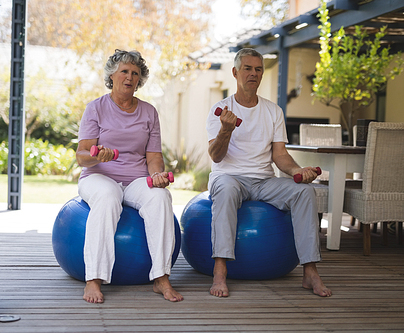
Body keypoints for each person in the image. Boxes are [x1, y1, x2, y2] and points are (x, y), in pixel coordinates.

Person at [206, 48, 332, 298]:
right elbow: (216, 156)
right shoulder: (220, 109)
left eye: (258, 69)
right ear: (235, 72)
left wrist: (298, 171)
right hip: (229, 177)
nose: (253, 73)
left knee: (304, 192)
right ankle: (220, 271)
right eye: (247, 68)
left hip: (264, 181)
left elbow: (280, 155)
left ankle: (310, 270)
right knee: (227, 188)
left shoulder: (273, 111)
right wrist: (225, 131)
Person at [75, 49, 183, 304]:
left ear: (140, 80)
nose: (129, 77)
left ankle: (161, 277)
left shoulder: (148, 112)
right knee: (108, 196)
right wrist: (97, 156)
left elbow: (153, 156)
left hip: (136, 179)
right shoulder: (96, 108)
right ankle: (94, 279)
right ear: (112, 75)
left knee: (161, 197)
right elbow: (81, 155)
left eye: (135, 73)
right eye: (124, 71)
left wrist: (157, 175)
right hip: (98, 177)